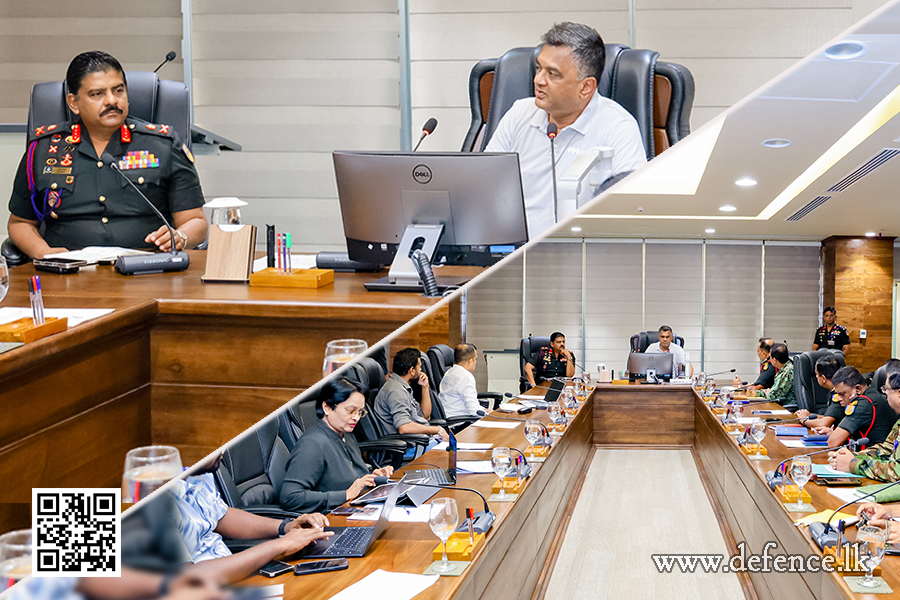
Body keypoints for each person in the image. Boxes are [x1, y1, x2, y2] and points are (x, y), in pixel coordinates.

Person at [7, 51, 207, 259]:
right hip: (68, 271)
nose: (112, 100)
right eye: (97, 94)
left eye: (118, 91)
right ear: (73, 103)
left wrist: (180, 236)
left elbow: (195, 221)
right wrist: (45, 253)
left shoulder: (163, 145)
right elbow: (20, 223)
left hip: (147, 267)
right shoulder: (43, 149)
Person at [484, 22, 647, 236]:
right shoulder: (519, 114)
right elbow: (484, 188)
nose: (538, 80)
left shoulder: (618, 127)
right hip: (510, 248)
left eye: (553, 74)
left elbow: (631, 211)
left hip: (579, 250)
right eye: (539, 68)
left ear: (585, 87)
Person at [167, 456, 332, 585]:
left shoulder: (197, 475)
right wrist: (280, 545)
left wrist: (286, 527)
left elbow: (221, 516)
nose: (223, 452)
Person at [280, 379, 395, 513]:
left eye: (360, 412)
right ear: (327, 408)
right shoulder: (312, 444)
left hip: (359, 507)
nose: (356, 418)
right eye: (350, 411)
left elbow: (349, 478)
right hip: (335, 516)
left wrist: (372, 477)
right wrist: (345, 495)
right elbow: (290, 498)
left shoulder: (346, 434)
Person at [830, 361, 900, 478]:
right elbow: (887, 449)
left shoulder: (865, 402)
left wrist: (854, 464)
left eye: (886, 389)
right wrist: (853, 457)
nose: (885, 394)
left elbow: (897, 471)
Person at [372, 348, 449, 441]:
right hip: (409, 445)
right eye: (419, 367)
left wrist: (425, 387)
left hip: (418, 440)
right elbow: (404, 427)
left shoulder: (402, 387)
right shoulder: (396, 392)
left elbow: (425, 416)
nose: (421, 370)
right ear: (412, 370)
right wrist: (437, 430)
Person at [813, 366, 894, 448]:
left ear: (858, 389)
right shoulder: (872, 395)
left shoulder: (864, 403)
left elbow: (833, 443)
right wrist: (833, 433)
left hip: (875, 454)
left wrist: (836, 436)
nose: (839, 398)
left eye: (842, 394)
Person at [796, 354, 843, 430]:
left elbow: (824, 424)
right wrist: (809, 415)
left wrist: (804, 420)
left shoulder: (840, 395)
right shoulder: (835, 389)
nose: (816, 377)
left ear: (823, 378)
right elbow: (831, 417)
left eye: (816, 374)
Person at [439, 343, 485, 418]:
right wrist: (490, 413)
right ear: (470, 361)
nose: (476, 362)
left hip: (449, 418)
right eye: (475, 359)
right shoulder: (466, 376)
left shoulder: (449, 372)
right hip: (461, 421)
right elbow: (474, 410)